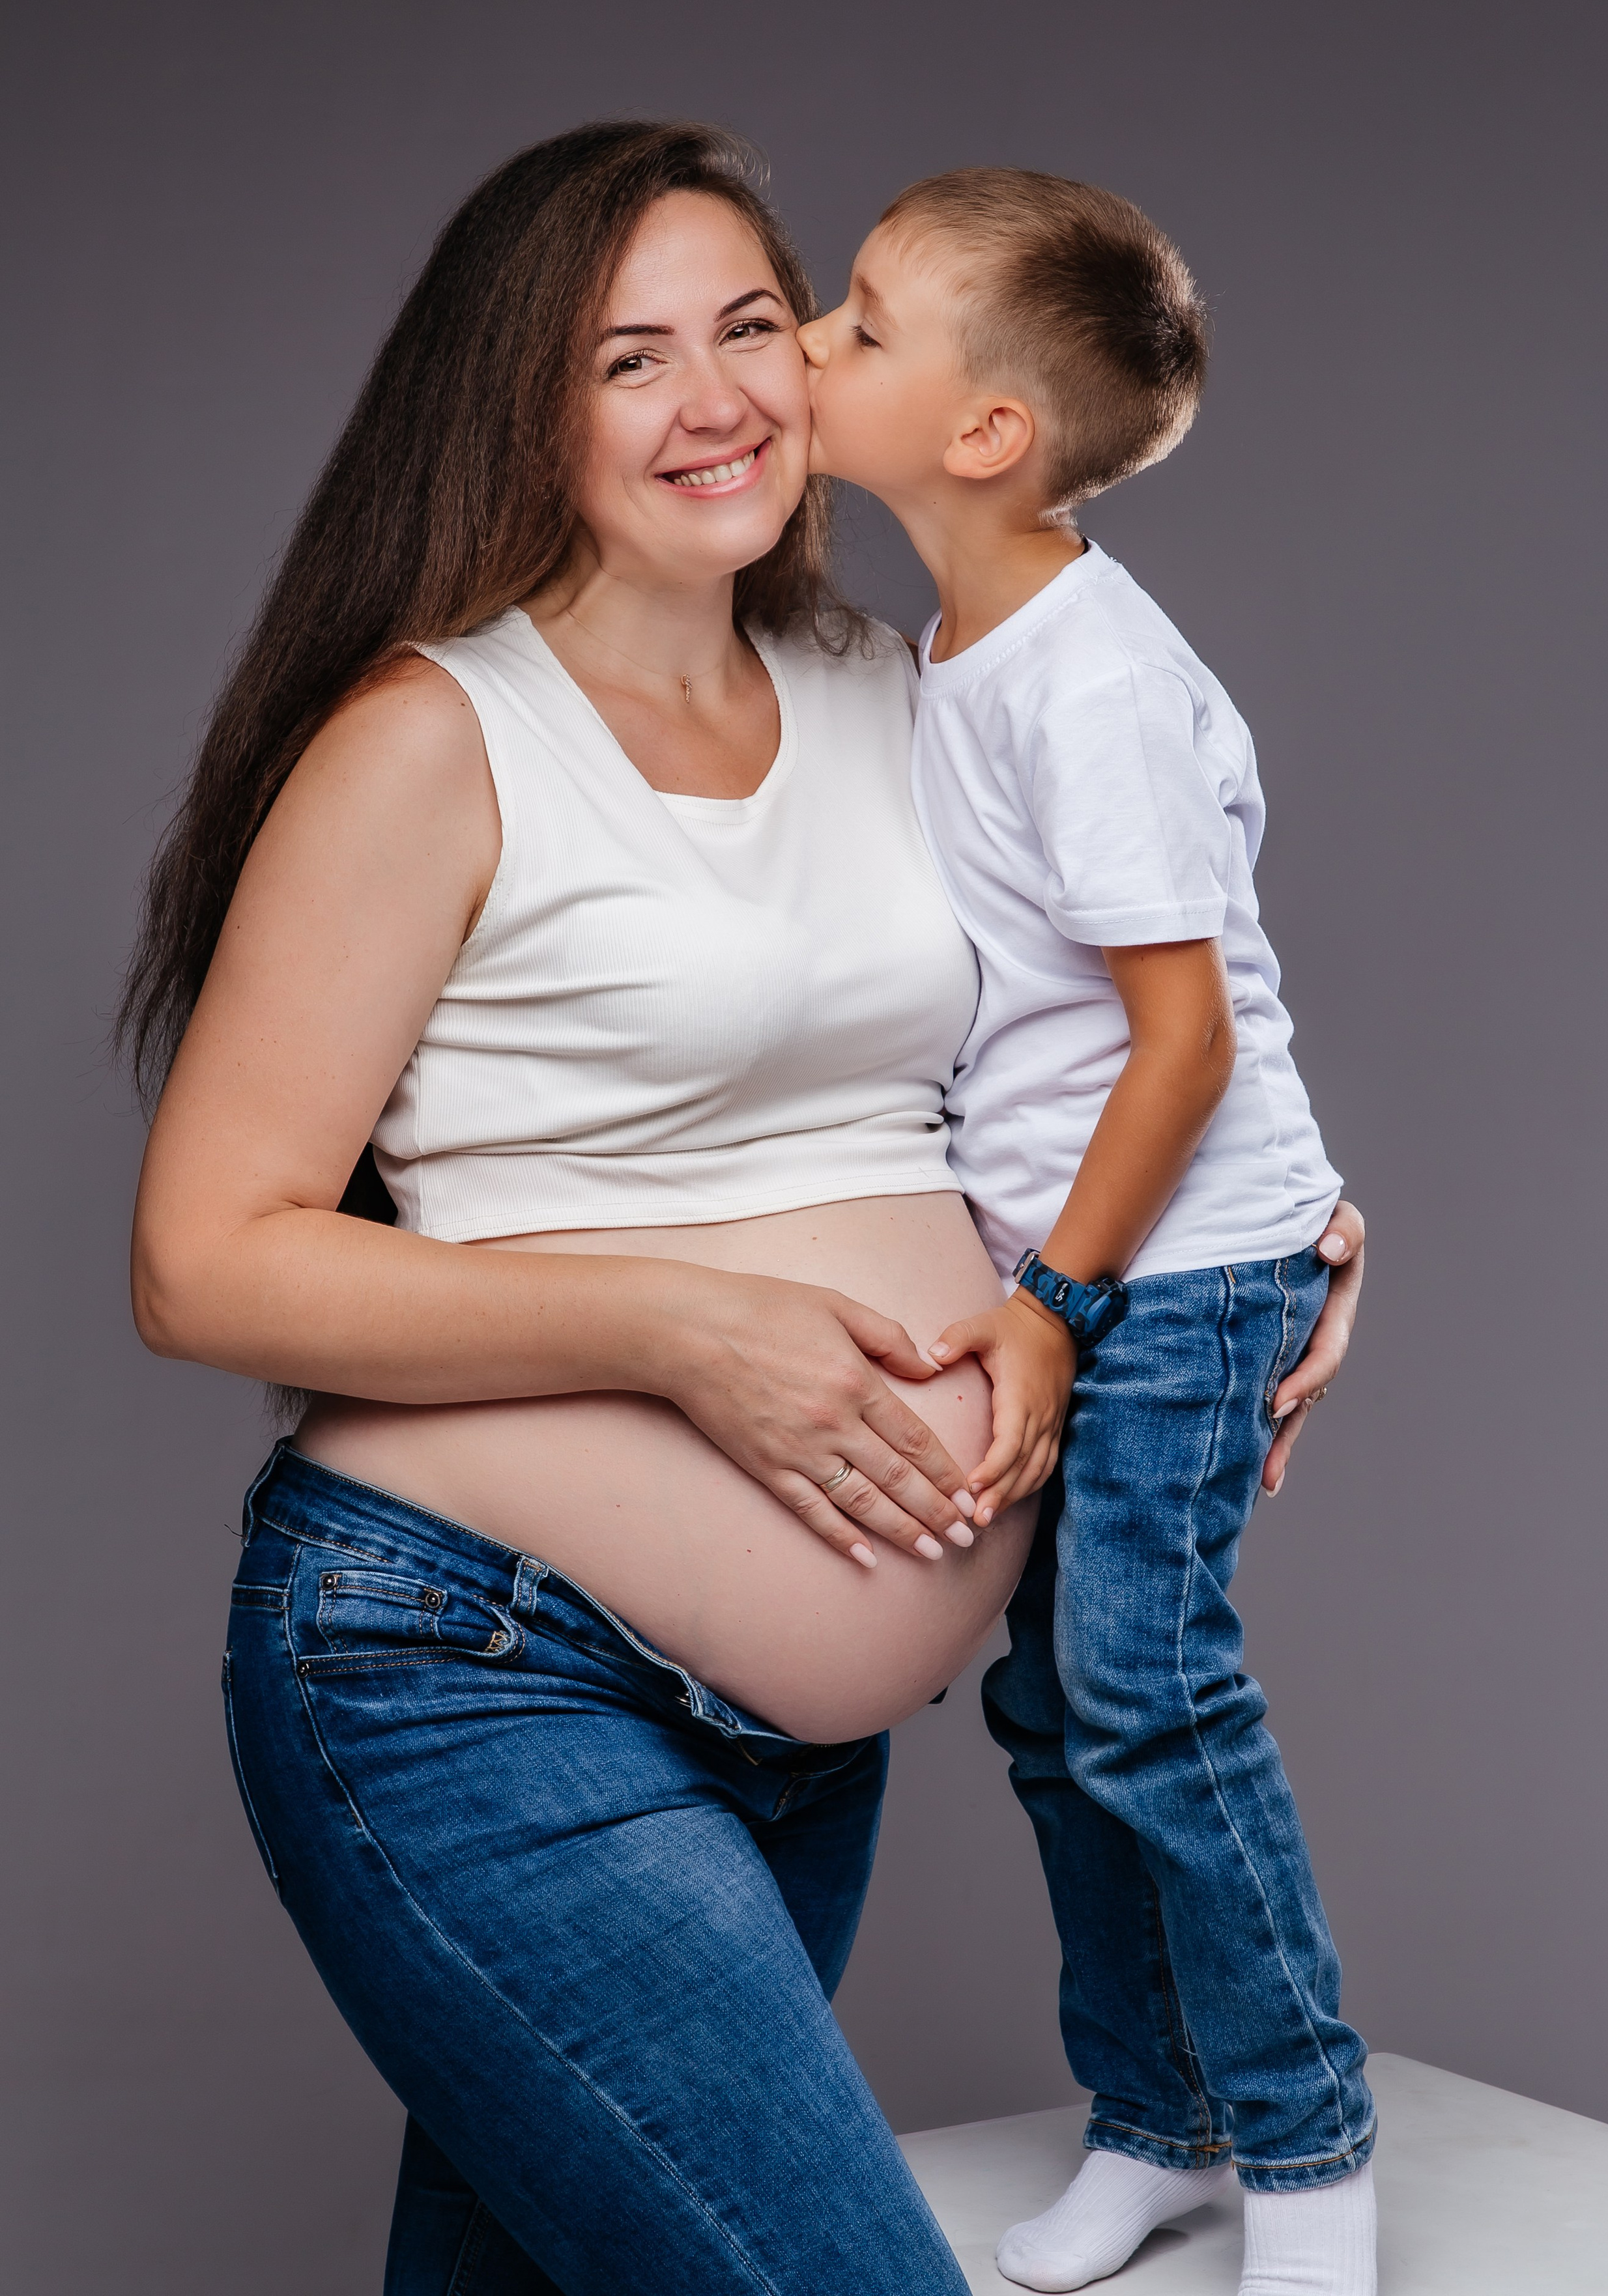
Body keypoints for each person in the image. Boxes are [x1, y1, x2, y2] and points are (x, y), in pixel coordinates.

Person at [124, 121, 1363, 2296]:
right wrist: (696, 1334)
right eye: (626, 357)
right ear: (520, 406)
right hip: (480, 1677)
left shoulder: (910, 691)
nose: (715, 399)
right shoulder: (434, 739)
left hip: (786, 1749)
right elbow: (203, 1258)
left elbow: (1134, 1010)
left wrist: (1289, 1233)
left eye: (750, 326)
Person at [799, 169, 1375, 2295]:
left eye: (858, 324)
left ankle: (1310, 2152)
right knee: (1059, 1716)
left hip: (1179, 1269)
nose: (811, 339)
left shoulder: (1090, 686)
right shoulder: (952, 649)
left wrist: (1049, 1302)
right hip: (1115, 1262)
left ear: (983, 436)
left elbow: (1189, 1039)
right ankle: (1159, 2121)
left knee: (1149, 1692)